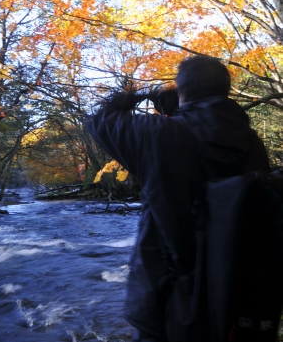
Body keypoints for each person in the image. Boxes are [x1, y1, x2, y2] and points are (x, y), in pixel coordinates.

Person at [85, 55, 271, 342]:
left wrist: (138, 95)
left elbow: (100, 120)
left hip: (167, 293)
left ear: (181, 91)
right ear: (226, 91)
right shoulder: (252, 143)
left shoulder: (158, 135)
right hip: (233, 286)